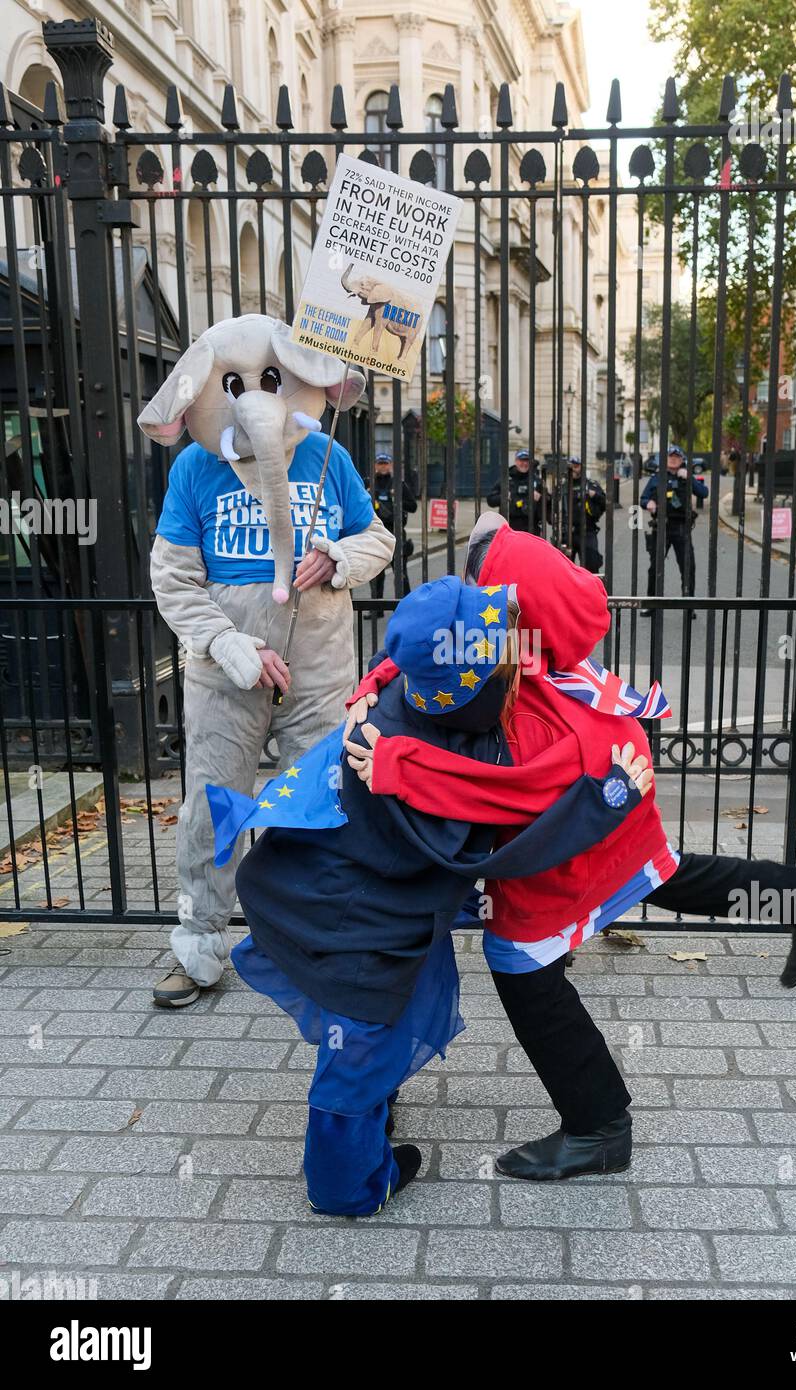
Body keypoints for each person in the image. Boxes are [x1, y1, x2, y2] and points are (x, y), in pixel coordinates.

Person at [345, 514, 796, 1181]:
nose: (475, 602)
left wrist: (394, 765)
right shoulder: (537, 649)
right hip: (611, 804)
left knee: (523, 966)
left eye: (486, 593)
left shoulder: (531, 711)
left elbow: (497, 791)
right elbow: (429, 637)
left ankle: (598, 1126)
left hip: (582, 825)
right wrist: (371, 684)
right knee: (665, 874)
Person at [230, 574, 652, 1215]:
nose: (514, 651)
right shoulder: (429, 766)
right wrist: (608, 798)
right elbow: (520, 844)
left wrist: (371, 683)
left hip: (334, 891)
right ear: (475, 681)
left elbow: (397, 655)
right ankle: (347, 1187)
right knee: (359, 1052)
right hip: (351, 922)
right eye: (499, 648)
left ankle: (369, 1132)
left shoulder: (406, 699)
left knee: (372, 1033)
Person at [138, 315, 394, 1008]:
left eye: (272, 380)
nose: (257, 397)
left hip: (318, 668)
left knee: (321, 804)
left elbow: (378, 538)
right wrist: (227, 643)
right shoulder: (195, 468)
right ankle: (199, 943)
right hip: (226, 673)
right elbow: (173, 578)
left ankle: (321, 941)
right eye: (237, 384)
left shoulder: (327, 458)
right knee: (213, 807)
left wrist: (340, 557)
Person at [639, 445, 708, 618]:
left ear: (682, 459)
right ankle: (651, 604)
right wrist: (648, 504)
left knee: (687, 567)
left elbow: (704, 493)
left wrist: (690, 478)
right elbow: (643, 498)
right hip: (660, 527)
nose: (673, 459)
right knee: (655, 568)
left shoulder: (686, 476)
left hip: (681, 528)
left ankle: (688, 605)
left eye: (677, 456)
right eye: (671, 456)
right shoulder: (657, 478)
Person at [370, 451, 418, 598]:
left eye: (385, 463)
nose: (383, 466)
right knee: (376, 573)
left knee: (400, 572)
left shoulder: (399, 484)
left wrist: (397, 502)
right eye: (380, 463)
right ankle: (376, 608)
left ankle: (406, 604)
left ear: (390, 465)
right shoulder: (370, 483)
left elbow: (413, 506)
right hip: (376, 532)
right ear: (375, 465)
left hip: (395, 532)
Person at [562, 456, 605, 573]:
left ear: (581, 467)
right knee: (563, 570)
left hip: (587, 531)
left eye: (576, 466)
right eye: (571, 467)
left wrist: (594, 495)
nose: (574, 469)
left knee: (591, 568)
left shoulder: (590, 484)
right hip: (567, 532)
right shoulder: (563, 486)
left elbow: (605, 503)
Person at [487, 448, 546, 534]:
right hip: (510, 527)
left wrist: (541, 498)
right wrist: (503, 497)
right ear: (516, 461)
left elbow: (549, 501)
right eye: (521, 460)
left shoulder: (536, 480)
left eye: (527, 460)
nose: (524, 463)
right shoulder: (506, 479)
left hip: (531, 528)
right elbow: (490, 500)